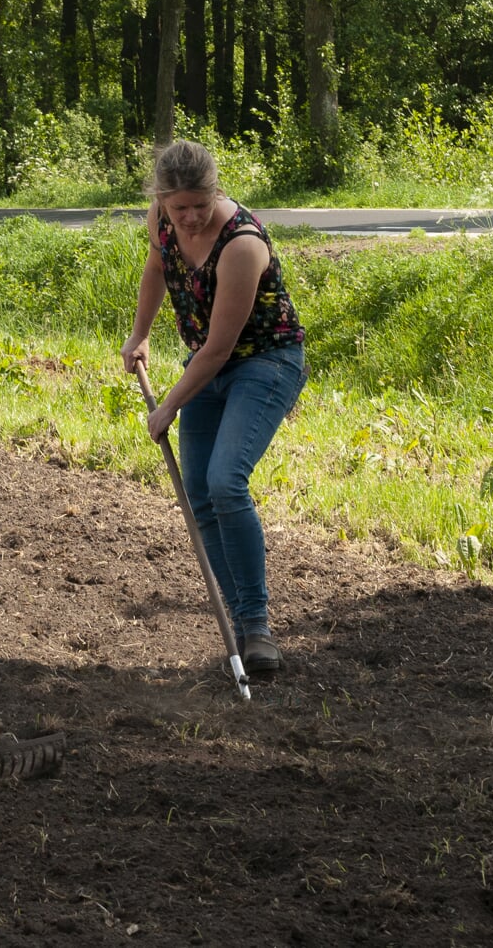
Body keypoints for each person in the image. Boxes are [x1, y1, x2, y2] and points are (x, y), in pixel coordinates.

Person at [121, 139, 308, 676]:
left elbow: (221, 348)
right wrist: (141, 336)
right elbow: (156, 270)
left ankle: (258, 627)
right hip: (206, 361)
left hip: (264, 362)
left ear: (215, 191)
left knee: (227, 482)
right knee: (200, 493)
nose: (191, 217)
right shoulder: (161, 218)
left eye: (199, 205)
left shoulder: (242, 244)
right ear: (162, 201)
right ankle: (242, 620)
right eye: (179, 209)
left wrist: (169, 405)